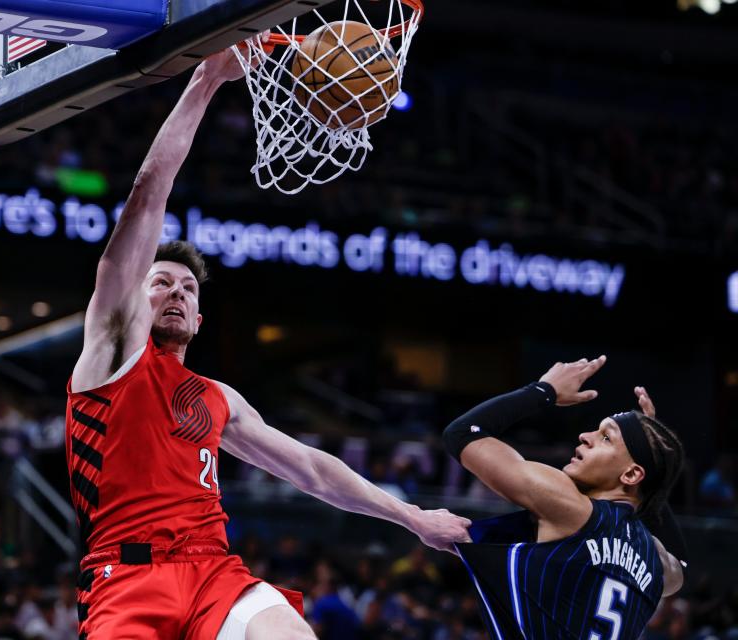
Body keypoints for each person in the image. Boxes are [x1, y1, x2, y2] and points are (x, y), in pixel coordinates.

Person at [66, 45, 471, 640]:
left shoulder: (217, 399)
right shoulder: (110, 353)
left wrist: (414, 519)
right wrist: (206, 80)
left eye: (187, 288)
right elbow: (150, 191)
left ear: (200, 319)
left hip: (212, 573)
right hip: (125, 579)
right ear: (132, 297)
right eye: (160, 283)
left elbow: (311, 468)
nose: (175, 292)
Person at [442, 357, 686, 640]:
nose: (585, 436)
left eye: (606, 437)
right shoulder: (656, 559)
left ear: (631, 475)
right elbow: (681, 567)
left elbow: (462, 434)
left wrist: (544, 390)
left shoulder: (572, 507)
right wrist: (653, 471)